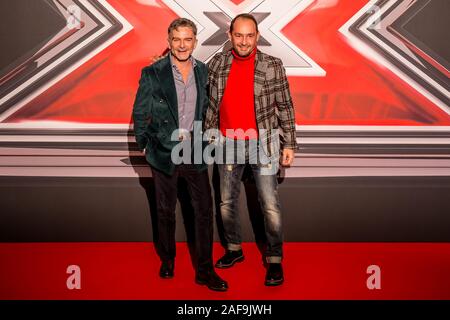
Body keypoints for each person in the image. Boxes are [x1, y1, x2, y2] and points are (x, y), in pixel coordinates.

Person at [132, 18, 227, 291]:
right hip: (164, 151)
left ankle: (205, 270)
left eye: (188, 39)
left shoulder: (205, 72)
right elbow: (140, 112)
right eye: (177, 39)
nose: (182, 45)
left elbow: (212, 108)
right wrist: (145, 144)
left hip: (195, 150)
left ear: (195, 41)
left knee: (204, 212)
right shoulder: (153, 73)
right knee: (165, 211)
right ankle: (168, 259)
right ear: (169, 41)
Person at [205, 13, 297, 286]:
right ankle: (234, 249)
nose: (244, 41)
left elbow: (286, 106)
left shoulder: (272, 65)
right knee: (226, 203)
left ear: (257, 36)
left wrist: (289, 142)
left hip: (264, 143)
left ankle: (275, 259)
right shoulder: (218, 64)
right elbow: (206, 98)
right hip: (227, 142)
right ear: (229, 36)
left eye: (249, 35)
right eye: (238, 35)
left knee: (269, 205)